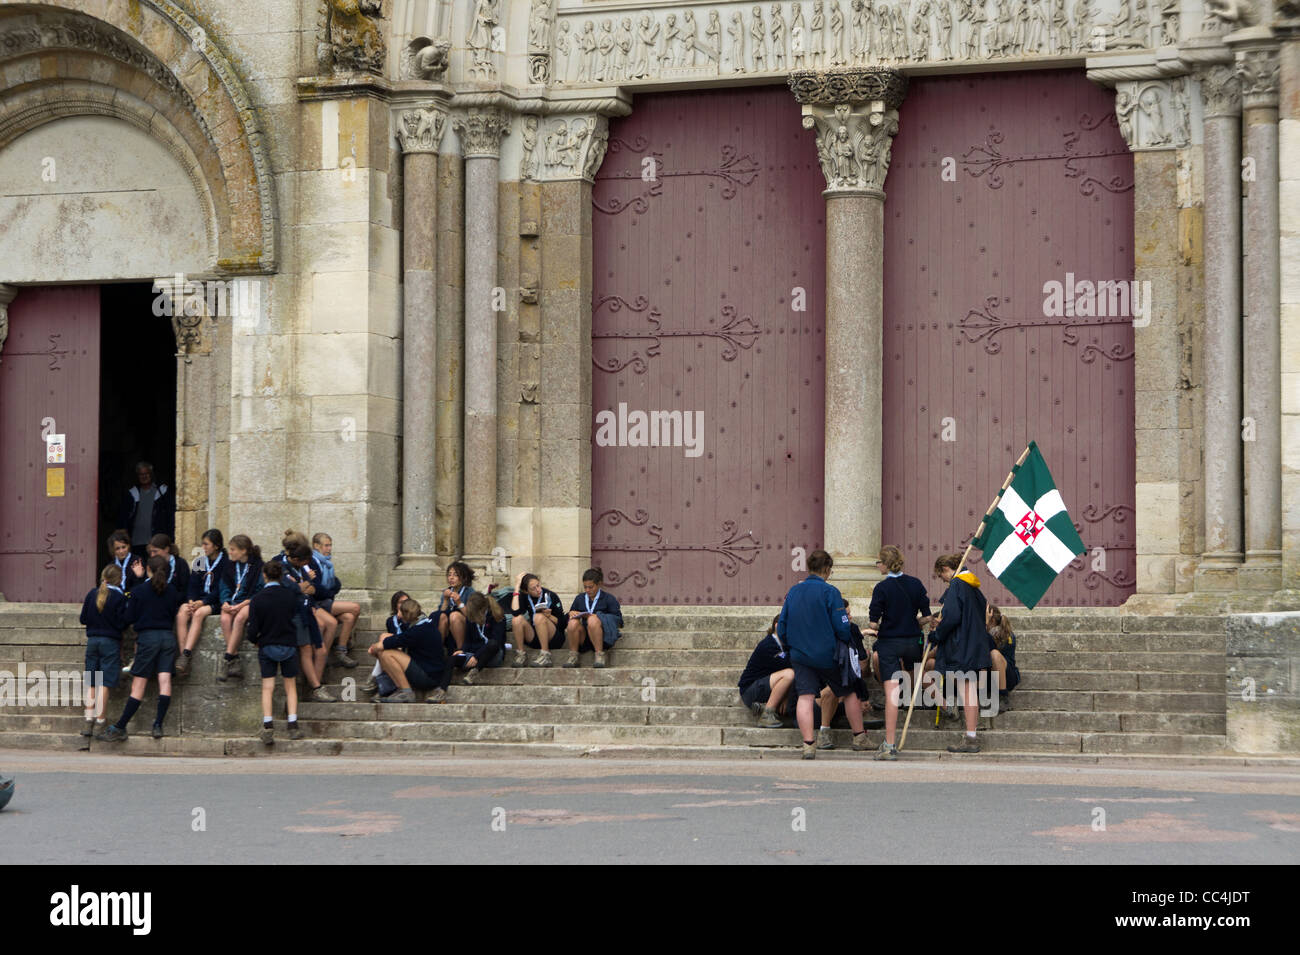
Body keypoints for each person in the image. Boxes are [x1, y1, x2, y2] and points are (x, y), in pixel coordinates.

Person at [776, 549, 870, 759]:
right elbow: (842, 626)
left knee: (805, 696)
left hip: (800, 654)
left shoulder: (793, 591)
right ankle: (859, 737)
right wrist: (845, 640)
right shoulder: (831, 592)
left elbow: (782, 626)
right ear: (827, 569)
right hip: (827, 654)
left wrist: (791, 648)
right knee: (849, 691)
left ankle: (809, 744)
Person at [98, 555, 184, 742]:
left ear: (148, 570)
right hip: (168, 638)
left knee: (139, 685)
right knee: (165, 680)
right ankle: (158, 725)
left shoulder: (139, 591)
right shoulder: (172, 591)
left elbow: (129, 616)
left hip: (148, 639)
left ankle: (120, 727)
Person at [866, 545, 933, 760]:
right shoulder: (916, 584)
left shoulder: (881, 588)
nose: (878, 566)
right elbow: (926, 616)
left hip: (889, 644)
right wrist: (912, 622)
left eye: (879, 562)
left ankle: (890, 744)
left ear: (885, 564)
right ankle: (918, 698)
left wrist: (871, 629)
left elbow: (873, 623)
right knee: (914, 670)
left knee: (891, 695)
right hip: (913, 641)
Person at [930, 553, 991, 754]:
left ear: (947, 569)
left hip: (961, 646)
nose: (943, 580)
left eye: (941, 576)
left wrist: (937, 633)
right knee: (969, 690)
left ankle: (971, 737)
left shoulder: (957, 584)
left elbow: (954, 616)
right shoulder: (974, 587)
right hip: (975, 643)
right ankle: (971, 734)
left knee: (966, 691)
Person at [244, 560, 303, 744]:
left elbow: (253, 629)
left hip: (267, 644)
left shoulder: (258, 599)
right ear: (281, 576)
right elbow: (295, 617)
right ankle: (292, 724)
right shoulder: (290, 596)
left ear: (264, 576)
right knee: (290, 686)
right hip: (288, 643)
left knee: (268, 687)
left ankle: (268, 725)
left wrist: (255, 641)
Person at [273, 533, 336, 702]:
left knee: (321, 650)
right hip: (296, 614)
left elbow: (311, 586)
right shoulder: (281, 566)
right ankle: (316, 687)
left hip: (308, 609)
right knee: (307, 650)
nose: (308, 564)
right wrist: (303, 585)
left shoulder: (300, 568)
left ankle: (313, 687)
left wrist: (303, 585)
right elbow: (292, 588)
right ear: (296, 559)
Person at [78, 564, 128, 748]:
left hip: (93, 641)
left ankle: (88, 719)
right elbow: (122, 622)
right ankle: (100, 721)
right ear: (119, 579)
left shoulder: (92, 594)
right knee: (105, 683)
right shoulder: (119, 597)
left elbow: (83, 618)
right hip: (110, 642)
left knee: (92, 681)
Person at [369, 598, 447, 703]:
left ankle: (406, 692)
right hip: (428, 671)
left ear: (405, 614)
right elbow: (401, 638)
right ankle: (399, 689)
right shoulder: (425, 623)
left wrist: (376, 647)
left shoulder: (418, 630)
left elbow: (397, 640)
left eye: (401, 611)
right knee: (385, 648)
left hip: (428, 677)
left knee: (386, 653)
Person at [175, 528, 226, 678]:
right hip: (198, 600)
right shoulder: (200, 561)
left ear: (216, 546)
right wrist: (191, 600)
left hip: (215, 601)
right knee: (183, 611)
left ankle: (186, 653)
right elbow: (193, 584)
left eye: (206, 544)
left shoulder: (226, 562)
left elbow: (220, 588)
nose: (203, 547)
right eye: (202, 544)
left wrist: (203, 602)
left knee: (199, 614)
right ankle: (183, 657)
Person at [217, 534, 264, 681]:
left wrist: (242, 604)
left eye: (233, 550)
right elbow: (223, 586)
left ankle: (227, 657)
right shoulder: (229, 566)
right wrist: (225, 602)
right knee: (225, 619)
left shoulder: (258, 566)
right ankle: (235, 658)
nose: (229, 552)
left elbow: (259, 590)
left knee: (240, 618)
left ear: (243, 551)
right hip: (233, 601)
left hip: (249, 602)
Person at [311, 533, 361, 669]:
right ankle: (342, 645)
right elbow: (317, 590)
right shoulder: (312, 561)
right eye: (326, 545)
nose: (329, 548)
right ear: (316, 546)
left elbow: (336, 583)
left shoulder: (327, 563)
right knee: (355, 607)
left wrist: (331, 590)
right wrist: (331, 591)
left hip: (326, 600)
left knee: (349, 617)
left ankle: (340, 649)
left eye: (330, 545)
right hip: (318, 603)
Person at [737, 615, 794, 728]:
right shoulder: (768, 645)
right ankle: (767, 714)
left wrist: (786, 696)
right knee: (790, 674)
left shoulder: (785, 646)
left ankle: (762, 707)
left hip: (766, 687)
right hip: (750, 691)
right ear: (777, 626)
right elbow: (789, 665)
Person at [563, 567, 623, 668]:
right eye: (585, 587)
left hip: (602, 638)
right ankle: (573, 656)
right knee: (573, 623)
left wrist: (599, 616)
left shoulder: (608, 598)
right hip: (584, 638)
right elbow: (565, 622)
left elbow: (619, 621)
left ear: (599, 584)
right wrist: (570, 614)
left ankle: (599, 655)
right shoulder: (580, 598)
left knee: (592, 620)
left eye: (590, 587)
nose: (587, 590)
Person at [118, 461, 174, 559]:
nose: (144, 476)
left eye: (146, 473)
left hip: (157, 542)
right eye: (141, 474)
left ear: (151, 474)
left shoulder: (162, 492)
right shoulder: (131, 494)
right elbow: (123, 518)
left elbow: (170, 516)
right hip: (137, 542)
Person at [508, 572, 565, 667]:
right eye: (533, 589)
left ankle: (545, 655)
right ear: (526, 591)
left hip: (554, 637)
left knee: (538, 617)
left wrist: (549, 616)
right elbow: (515, 612)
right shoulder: (525, 596)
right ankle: (521, 654)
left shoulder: (551, 595)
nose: (538, 590)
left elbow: (563, 623)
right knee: (516, 619)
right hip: (534, 636)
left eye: (538, 585)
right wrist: (517, 586)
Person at [453, 592, 507, 684]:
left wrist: (476, 656)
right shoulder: (471, 617)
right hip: (475, 654)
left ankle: (474, 672)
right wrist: (463, 650)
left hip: (493, 655)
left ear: (482, 609)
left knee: (493, 643)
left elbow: (497, 642)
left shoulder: (497, 615)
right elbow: (467, 640)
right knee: (453, 658)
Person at [363, 591, 409, 695]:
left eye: (406, 602)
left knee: (383, 639)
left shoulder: (414, 617)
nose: (403, 605)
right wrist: (398, 620)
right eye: (400, 603)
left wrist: (405, 620)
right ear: (395, 605)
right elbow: (394, 637)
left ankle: (375, 676)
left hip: (409, 649)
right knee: (383, 645)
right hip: (396, 649)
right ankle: (379, 680)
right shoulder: (391, 620)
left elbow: (409, 636)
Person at [436, 561, 476, 652]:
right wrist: (445, 601)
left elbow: (472, 617)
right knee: (441, 617)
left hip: (466, 627)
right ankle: (438, 650)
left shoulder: (469, 591)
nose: (451, 578)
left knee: (454, 616)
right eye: (449, 575)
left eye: (455, 575)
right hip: (448, 628)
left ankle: (460, 650)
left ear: (463, 577)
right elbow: (440, 614)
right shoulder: (447, 591)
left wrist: (459, 603)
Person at [987, 604, 1019, 711]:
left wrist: (985, 625)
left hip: (1006, 676)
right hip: (988, 676)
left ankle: (1003, 696)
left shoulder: (1005, 634)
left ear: (991, 620)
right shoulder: (981, 632)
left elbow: (987, 648)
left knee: (994, 654)